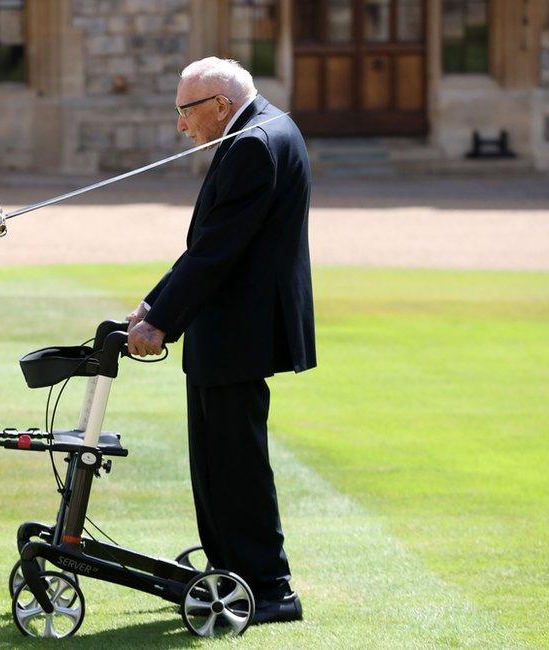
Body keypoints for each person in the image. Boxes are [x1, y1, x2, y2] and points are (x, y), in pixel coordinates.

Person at [126, 57, 316, 625]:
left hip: (237, 330)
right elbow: (211, 243)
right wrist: (151, 303)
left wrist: (159, 320)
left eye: (185, 112)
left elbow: (217, 250)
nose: (181, 126)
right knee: (214, 462)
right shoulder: (263, 130)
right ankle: (231, 568)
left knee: (234, 464)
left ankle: (269, 588)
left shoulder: (254, 144)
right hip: (228, 328)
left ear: (220, 107)